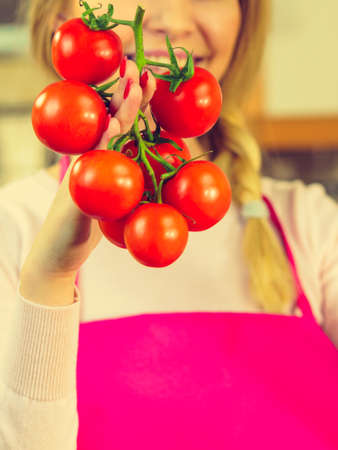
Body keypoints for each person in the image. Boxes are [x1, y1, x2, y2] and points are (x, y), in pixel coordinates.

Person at [0, 0, 337, 448]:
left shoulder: (310, 226)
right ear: (60, 18)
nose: (174, 20)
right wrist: (49, 279)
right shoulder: (12, 228)